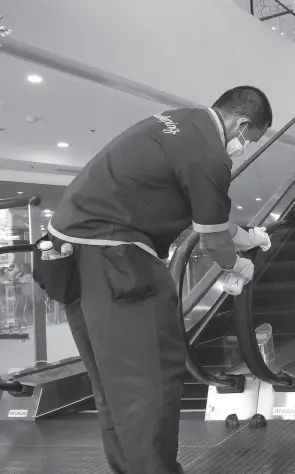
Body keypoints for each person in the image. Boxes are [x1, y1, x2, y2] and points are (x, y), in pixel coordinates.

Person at [47, 86, 274, 474]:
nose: (243, 148)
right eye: (249, 140)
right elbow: (214, 238)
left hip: (70, 257)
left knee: (113, 382)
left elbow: (212, 219)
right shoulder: (209, 155)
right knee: (150, 377)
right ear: (243, 123)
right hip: (116, 260)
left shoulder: (181, 124)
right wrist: (239, 266)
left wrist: (248, 236)